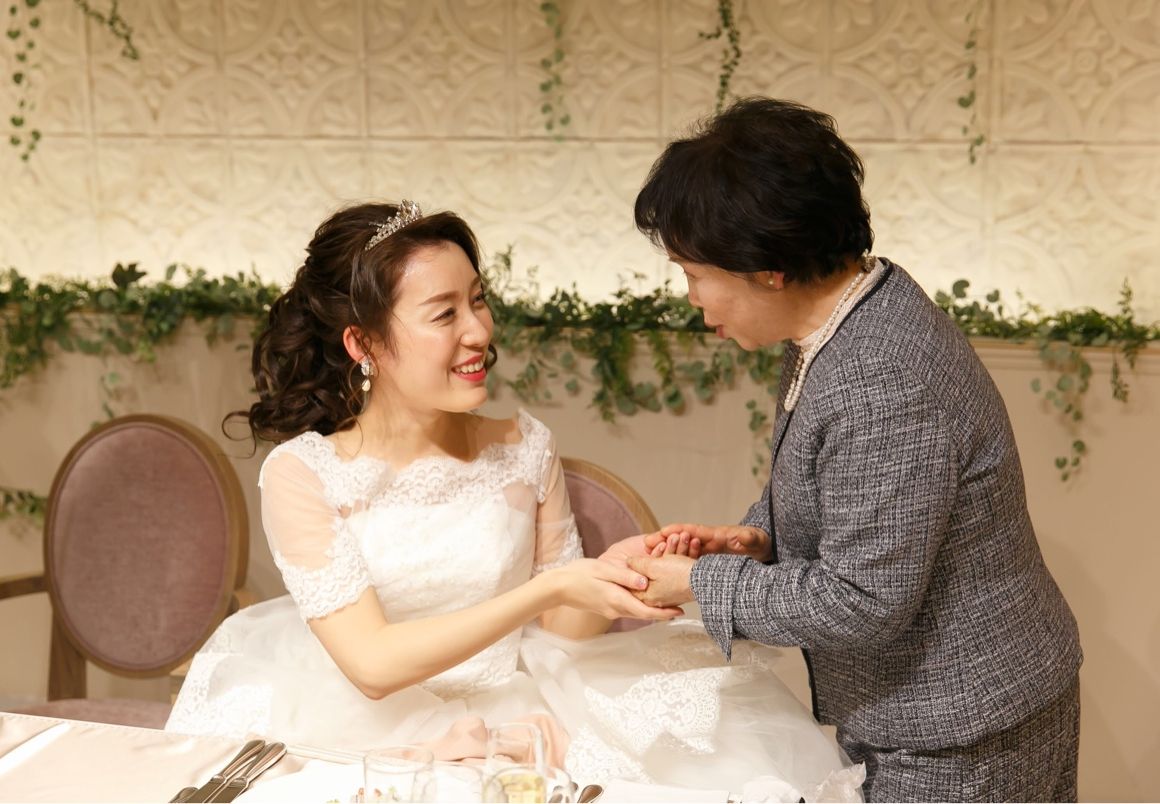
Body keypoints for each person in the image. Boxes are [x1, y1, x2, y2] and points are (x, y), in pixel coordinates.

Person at [165, 200, 856, 796]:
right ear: (364, 343)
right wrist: (545, 589)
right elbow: (372, 665)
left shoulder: (524, 445)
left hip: (518, 705)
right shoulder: (303, 474)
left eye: (478, 299)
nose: (478, 331)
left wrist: (616, 570)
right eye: (444, 313)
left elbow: (561, 631)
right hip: (357, 721)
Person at [625, 97, 1084, 802]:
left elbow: (862, 600)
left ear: (768, 267)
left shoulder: (879, 380)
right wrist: (758, 538)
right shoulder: (851, 314)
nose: (691, 297)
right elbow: (848, 489)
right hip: (949, 709)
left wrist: (698, 583)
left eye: (693, 273)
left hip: (958, 734)